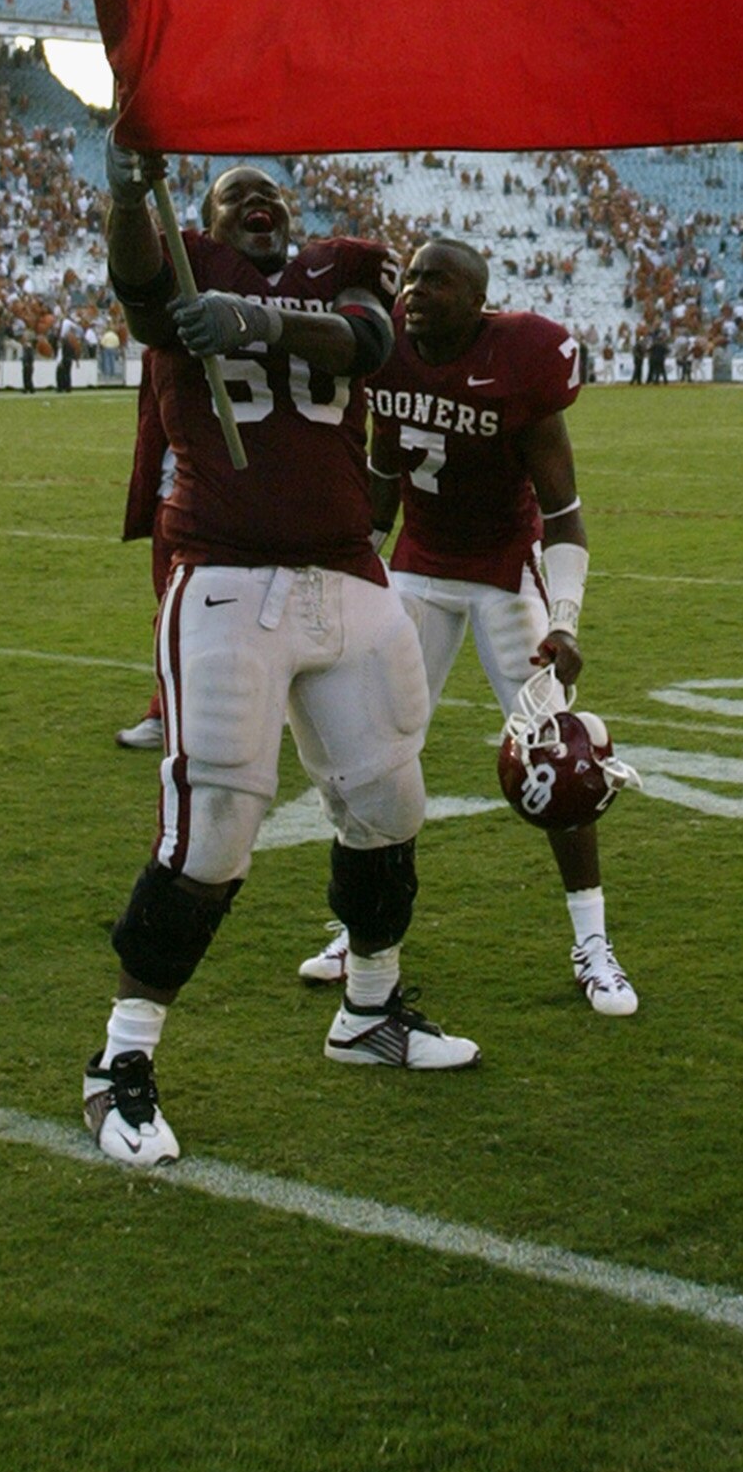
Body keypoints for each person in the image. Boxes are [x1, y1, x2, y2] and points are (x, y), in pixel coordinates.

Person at [88, 144, 473, 1171]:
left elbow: (374, 339)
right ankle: (119, 1061)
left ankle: (370, 1007)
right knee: (213, 830)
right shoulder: (180, 257)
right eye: (232, 195)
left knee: (388, 804)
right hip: (225, 575)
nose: (256, 203)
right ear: (205, 219)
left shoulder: (338, 264)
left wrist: (258, 320)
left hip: (347, 573)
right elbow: (137, 285)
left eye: (271, 193)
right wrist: (132, 191)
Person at [302, 233, 636, 1016]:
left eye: (438, 280)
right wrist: (352, 572)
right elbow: (384, 476)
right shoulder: (385, 350)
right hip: (417, 564)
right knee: (369, 750)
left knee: (556, 752)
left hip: (500, 574)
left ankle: (592, 939)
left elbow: (564, 515)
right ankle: (364, 927)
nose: (415, 290)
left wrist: (566, 621)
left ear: (477, 298)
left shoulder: (520, 359)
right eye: (412, 276)